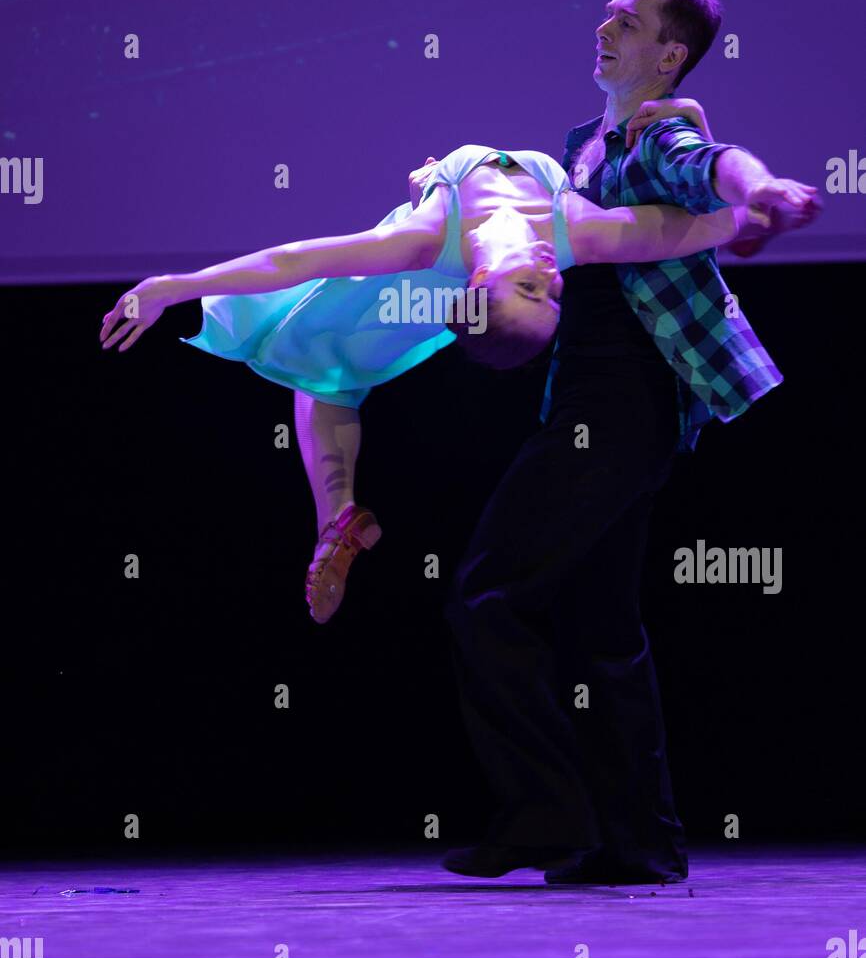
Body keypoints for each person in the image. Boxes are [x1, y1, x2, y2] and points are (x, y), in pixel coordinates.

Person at [440, 0, 819, 885]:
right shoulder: (587, 148)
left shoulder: (656, 139)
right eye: (605, 14)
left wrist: (761, 189)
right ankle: (640, 843)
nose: (603, 29)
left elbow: (714, 166)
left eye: (627, 21)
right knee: (603, 624)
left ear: (669, 55)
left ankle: (544, 815)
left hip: (618, 410)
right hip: (600, 409)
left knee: (486, 596)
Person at [99, 127, 767, 623]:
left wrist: (174, 286)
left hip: (389, 301)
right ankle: (335, 516)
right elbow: (675, 230)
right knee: (326, 376)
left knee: (318, 365)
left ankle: (335, 516)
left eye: (528, 287)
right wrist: (758, 207)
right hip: (408, 311)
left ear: (482, 282)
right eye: (552, 293)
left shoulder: (428, 234)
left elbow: (295, 261)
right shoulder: (573, 230)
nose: (549, 272)